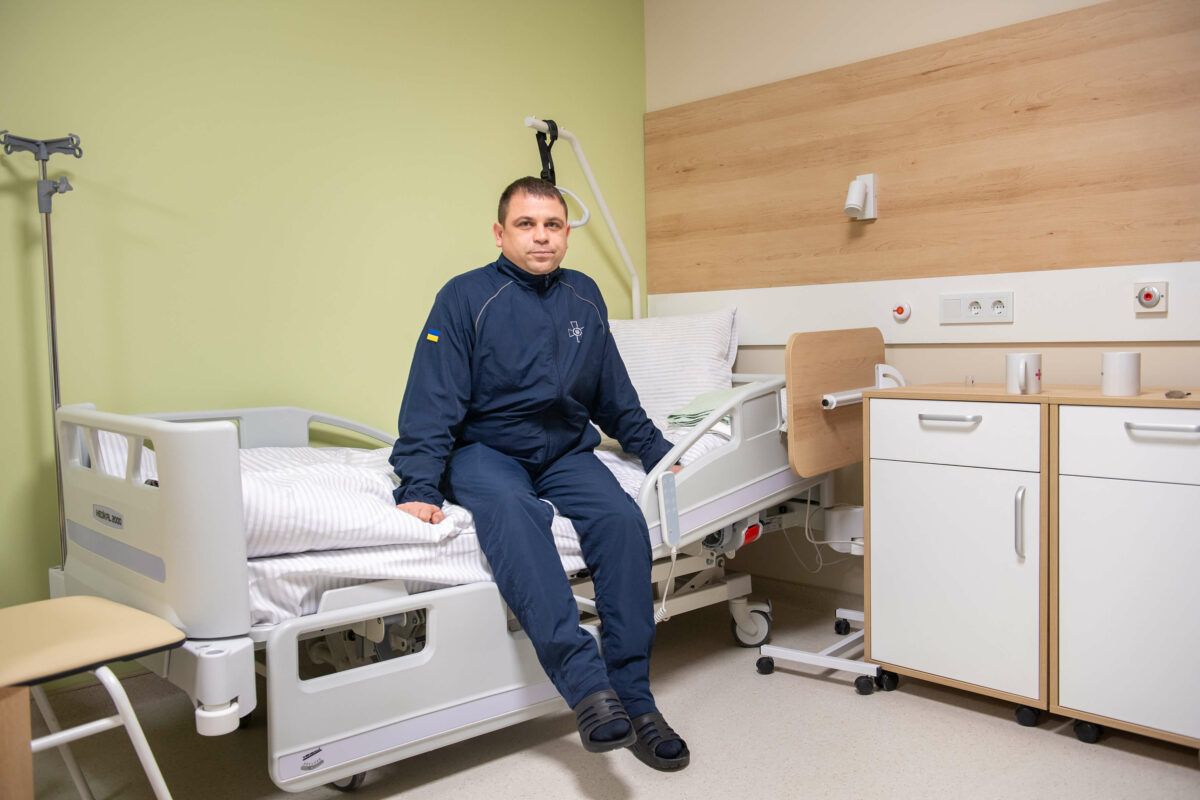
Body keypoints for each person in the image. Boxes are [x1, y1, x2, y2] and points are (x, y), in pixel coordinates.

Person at [389, 176, 689, 771]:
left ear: (567, 234)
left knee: (620, 520)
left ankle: (635, 699)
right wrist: (419, 485)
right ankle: (588, 690)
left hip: (564, 451)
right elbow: (433, 397)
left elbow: (611, 390)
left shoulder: (584, 296)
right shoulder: (465, 296)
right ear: (500, 233)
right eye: (526, 225)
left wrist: (654, 450)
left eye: (553, 225)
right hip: (486, 450)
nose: (541, 236)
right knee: (513, 513)